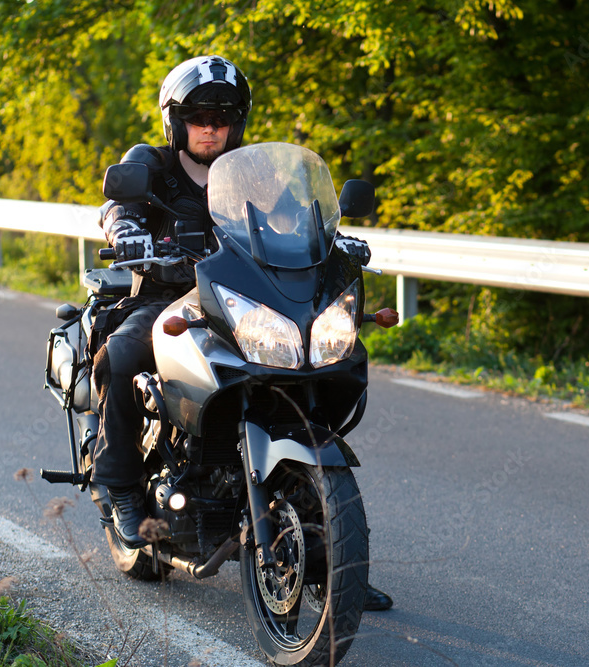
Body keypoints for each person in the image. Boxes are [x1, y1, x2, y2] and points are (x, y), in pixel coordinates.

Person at [92, 55, 393, 612]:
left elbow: (297, 219)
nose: (212, 127)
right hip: (167, 295)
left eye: (223, 116)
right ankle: (122, 488)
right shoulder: (151, 164)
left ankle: (338, 560)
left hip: (243, 301)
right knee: (126, 351)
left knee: (310, 363)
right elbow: (117, 207)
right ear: (176, 121)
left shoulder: (256, 172)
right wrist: (129, 232)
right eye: (200, 116)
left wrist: (334, 239)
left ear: (239, 121)